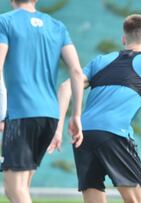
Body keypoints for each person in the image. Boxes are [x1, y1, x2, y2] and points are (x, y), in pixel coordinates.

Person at [56, 14, 141, 203]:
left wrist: (58, 129)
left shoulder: (100, 61)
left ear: (123, 39)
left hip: (84, 135)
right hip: (115, 133)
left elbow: (65, 87)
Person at [0, 0, 84, 202]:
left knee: (14, 189)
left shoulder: (5, 21)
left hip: (21, 114)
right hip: (49, 116)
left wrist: (1, 113)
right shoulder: (57, 26)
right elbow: (76, 71)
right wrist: (76, 115)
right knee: (23, 186)